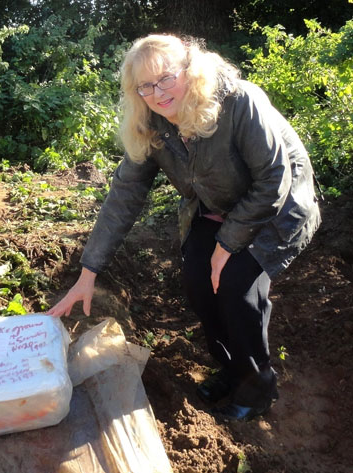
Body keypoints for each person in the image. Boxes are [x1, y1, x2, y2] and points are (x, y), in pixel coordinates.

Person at [47, 34, 321, 422]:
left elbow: (274, 179)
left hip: (277, 206)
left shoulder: (239, 102)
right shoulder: (152, 124)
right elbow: (124, 195)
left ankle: (258, 387)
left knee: (238, 285)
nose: (157, 93)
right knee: (197, 281)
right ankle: (231, 370)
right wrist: (88, 271)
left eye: (166, 79)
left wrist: (227, 244)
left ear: (190, 72)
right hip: (218, 205)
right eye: (145, 85)